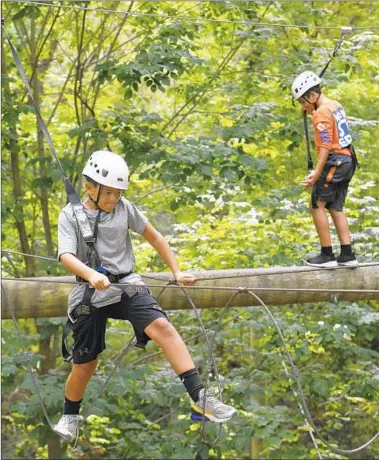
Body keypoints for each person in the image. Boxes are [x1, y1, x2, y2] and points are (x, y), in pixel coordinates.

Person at [53, 150, 236, 442]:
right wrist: (90, 274)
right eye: (109, 193)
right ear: (91, 188)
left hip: (127, 283)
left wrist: (176, 271)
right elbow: (64, 254)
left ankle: (200, 397)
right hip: (90, 290)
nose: (115, 199)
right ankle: (70, 416)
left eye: (119, 193)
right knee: (85, 363)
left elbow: (155, 237)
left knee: (162, 326)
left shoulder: (125, 208)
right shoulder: (70, 215)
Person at [291, 71, 359, 268]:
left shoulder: (320, 114)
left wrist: (316, 173)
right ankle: (347, 255)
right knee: (335, 206)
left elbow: (325, 146)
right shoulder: (335, 105)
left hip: (335, 161)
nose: (303, 107)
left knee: (316, 204)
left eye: (303, 102)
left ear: (313, 96)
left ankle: (327, 255)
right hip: (348, 160)